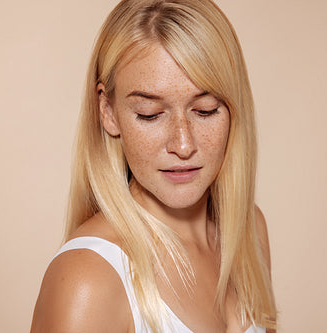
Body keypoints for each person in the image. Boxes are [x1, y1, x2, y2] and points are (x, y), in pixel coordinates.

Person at [31, 0, 277, 332]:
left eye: (205, 110)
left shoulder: (248, 231)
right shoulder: (87, 280)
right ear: (109, 112)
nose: (183, 144)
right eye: (150, 114)